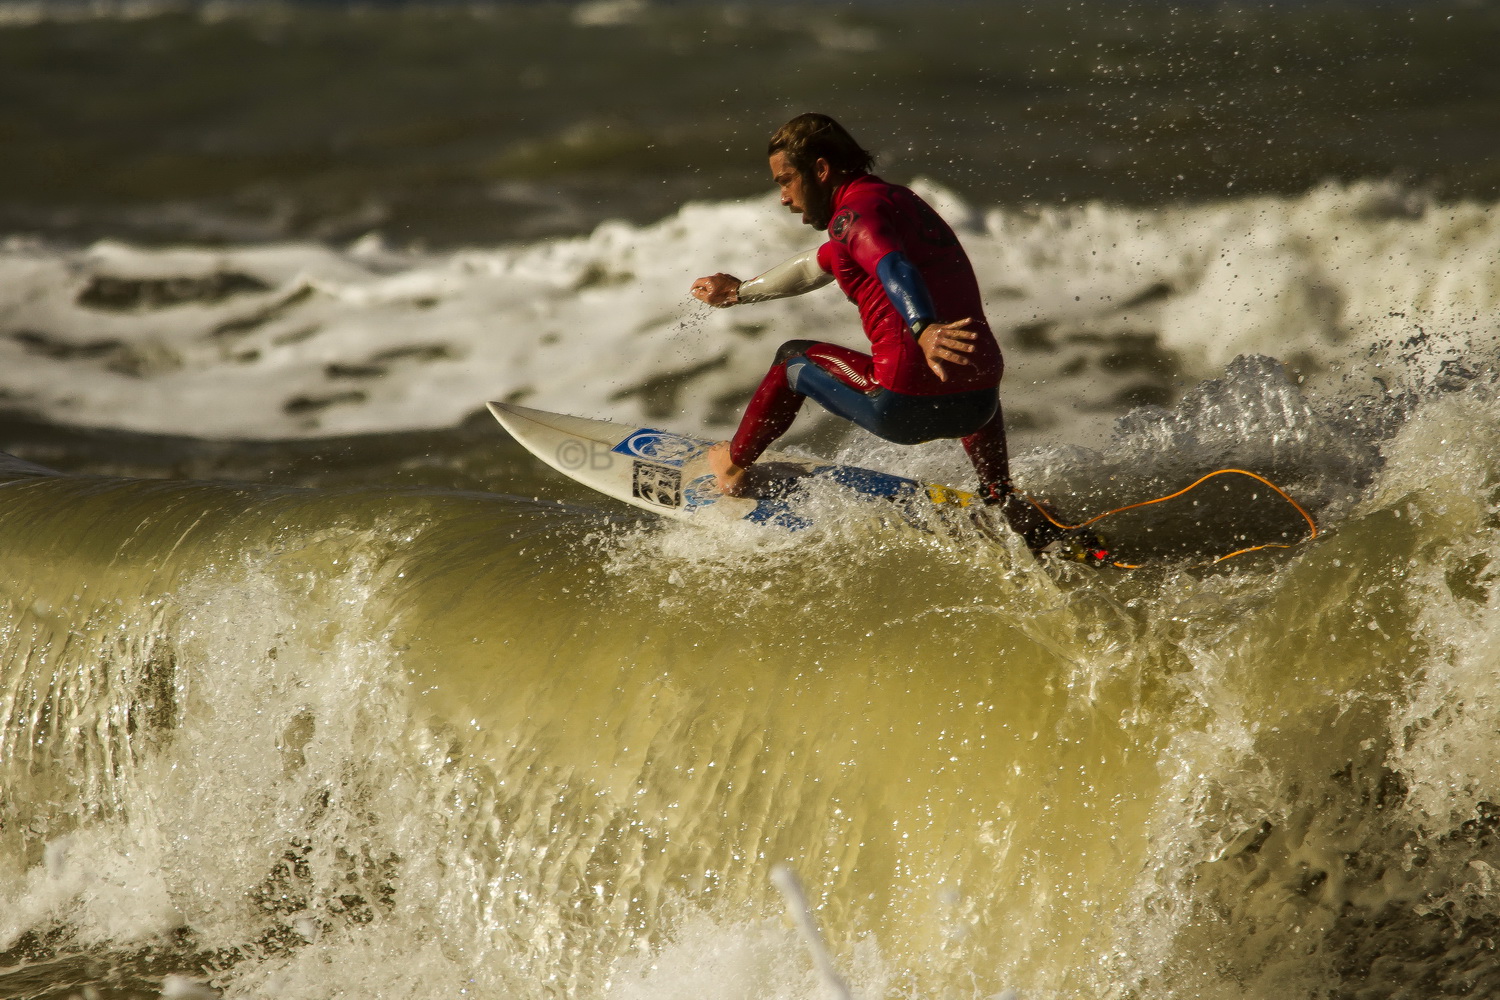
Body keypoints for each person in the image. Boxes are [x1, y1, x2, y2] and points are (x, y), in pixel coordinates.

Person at [690, 112, 1078, 553]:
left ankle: (734, 466)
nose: (783, 197)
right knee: (963, 358)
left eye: (787, 180)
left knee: (792, 359)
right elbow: (812, 267)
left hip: (902, 405)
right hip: (978, 406)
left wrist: (924, 326)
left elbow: (893, 266)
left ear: (821, 169)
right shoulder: (895, 204)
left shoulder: (854, 217)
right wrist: (740, 291)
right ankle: (1000, 495)